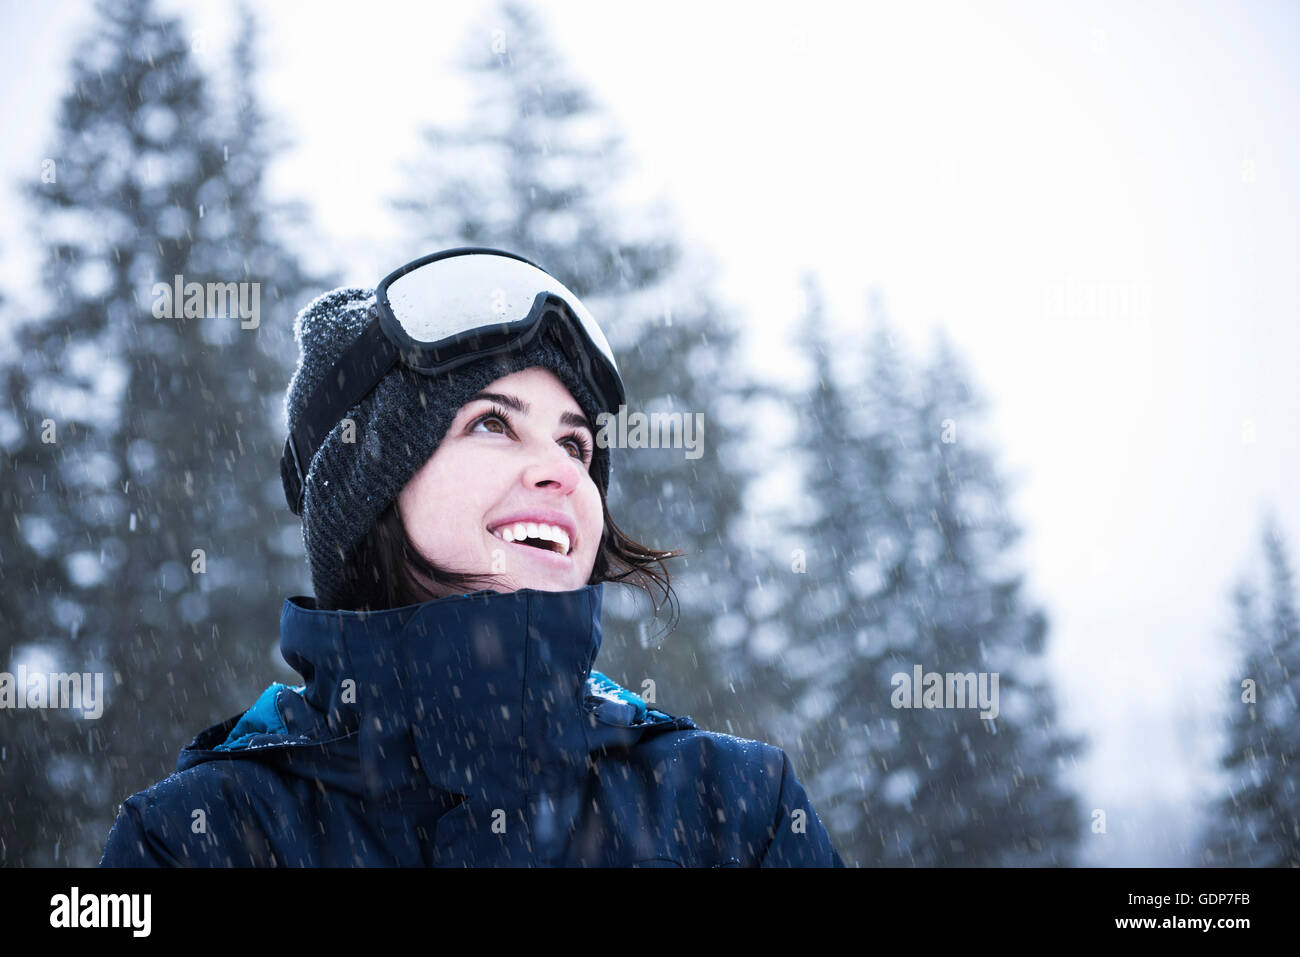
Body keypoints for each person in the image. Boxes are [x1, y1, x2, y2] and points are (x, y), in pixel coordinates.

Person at [99, 247, 845, 867]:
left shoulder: (732, 807)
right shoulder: (203, 836)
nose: (562, 472)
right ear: (371, 491)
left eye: (575, 442)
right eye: (493, 423)